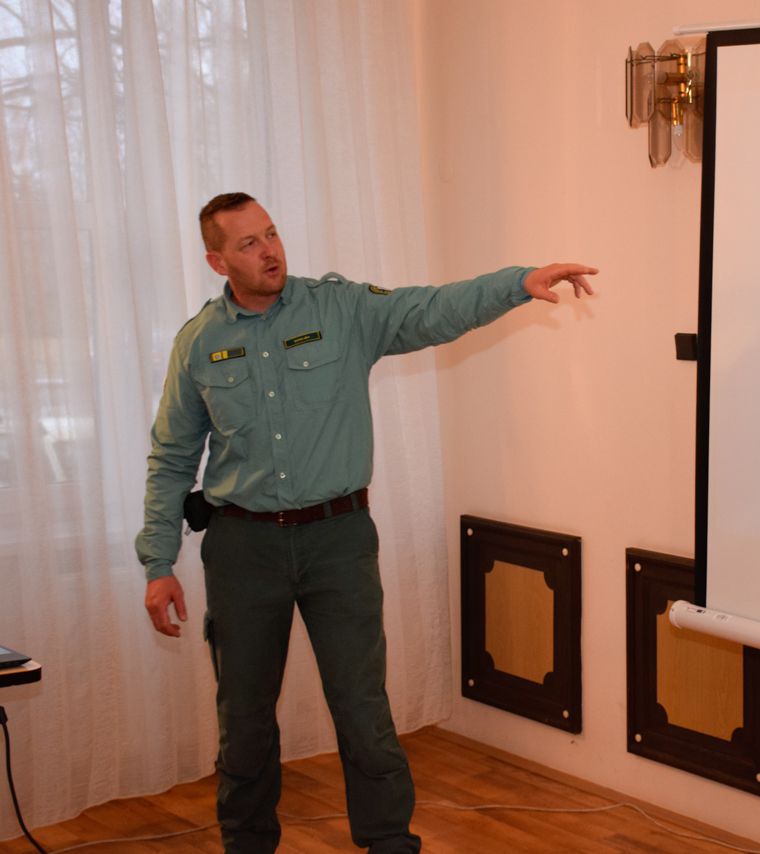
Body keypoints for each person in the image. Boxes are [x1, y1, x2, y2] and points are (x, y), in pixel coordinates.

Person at [136, 192, 596, 853]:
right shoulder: (200, 343)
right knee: (245, 722)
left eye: (271, 234)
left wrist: (517, 283)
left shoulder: (340, 309)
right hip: (243, 548)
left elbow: (431, 310)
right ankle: (246, 844)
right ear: (216, 260)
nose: (270, 250)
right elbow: (173, 456)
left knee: (362, 710)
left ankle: (388, 842)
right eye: (248, 243)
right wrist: (158, 563)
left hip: (337, 540)